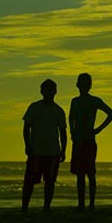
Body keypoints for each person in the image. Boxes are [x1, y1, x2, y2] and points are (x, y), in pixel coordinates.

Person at [69, 73, 112, 211]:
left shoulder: (95, 101)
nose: (84, 86)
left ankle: (91, 204)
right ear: (78, 85)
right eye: (82, 83)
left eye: (86, 83)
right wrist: (72, 132)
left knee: (90, 173)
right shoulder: (75, 101)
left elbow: (111, 114)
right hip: (78, 141)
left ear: (89, 85)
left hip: (89, 141)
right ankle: (81, 204)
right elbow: (71, 118)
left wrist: (97, 130)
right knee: (79, 174)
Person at [21, 79, 67, 212]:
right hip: (36, 150)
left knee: (50, 181)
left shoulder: (58, 111)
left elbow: (63, 132)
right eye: (47, 90)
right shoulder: (34, 107)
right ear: (41, 91)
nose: (49, 93)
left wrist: (63, 150)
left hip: (53, 151)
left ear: (55, 92)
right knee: (29, 180)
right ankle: (25, 207)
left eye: (52, 90)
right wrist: (28, 145)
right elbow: (26, 127)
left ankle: (46, 207)